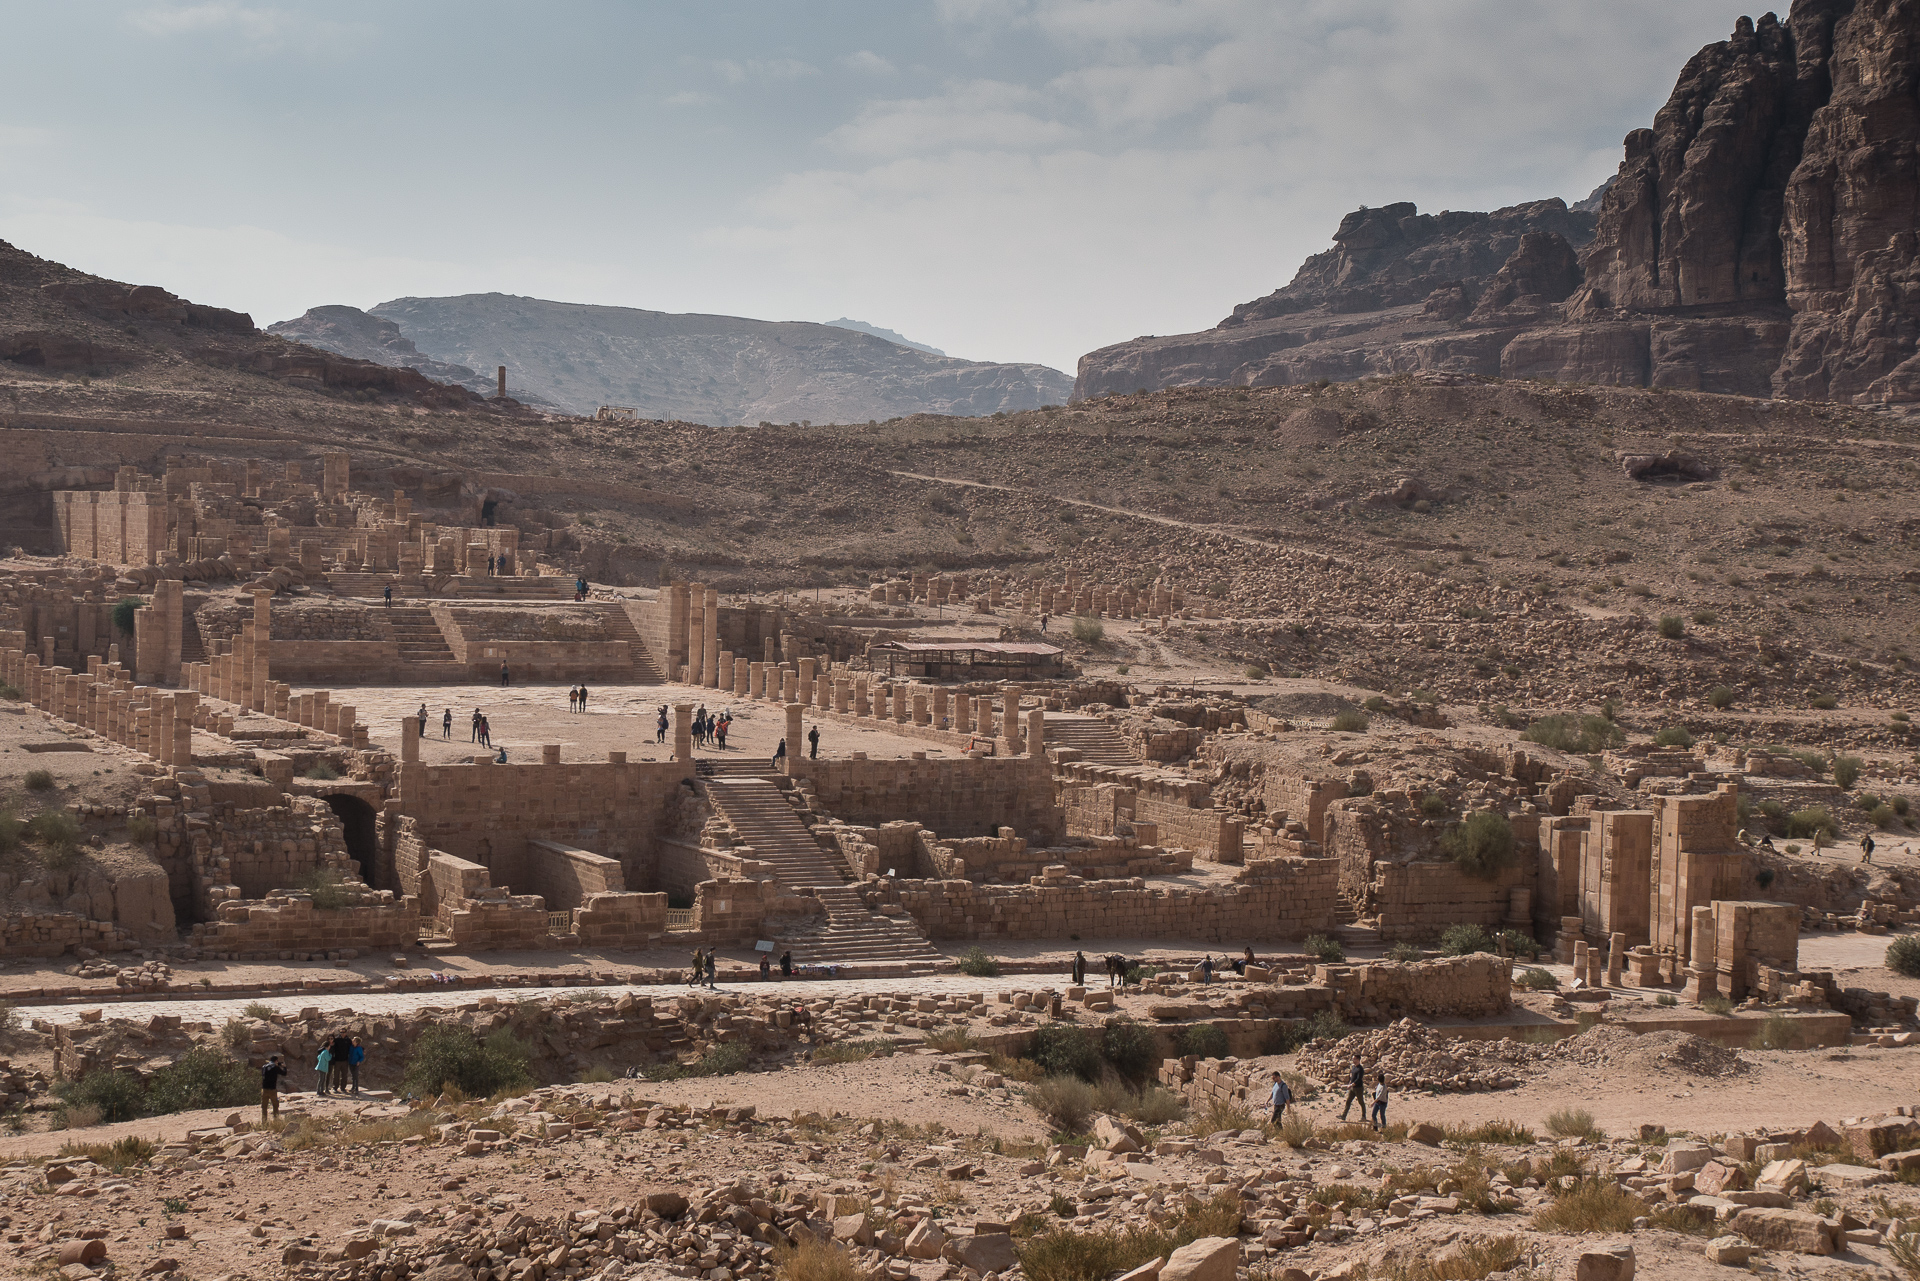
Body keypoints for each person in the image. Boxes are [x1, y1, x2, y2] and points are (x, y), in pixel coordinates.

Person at [261, 1053, 289, 1123]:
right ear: (276, 1061)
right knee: (275, 1105)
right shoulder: (275, 1068)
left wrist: (278, 1064)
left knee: (264, 1107)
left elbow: (268, 1069)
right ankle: (276, 1121)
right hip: (272, 1089)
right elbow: (284, 1073)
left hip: (264, 1089)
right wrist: (284, 1067)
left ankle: (264, 1122)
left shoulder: (264, 1067)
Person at [1338, 1056, 1366, 1121]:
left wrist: (1351, 1085)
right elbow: (1352, 1077)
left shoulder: (1360, 1069)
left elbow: (1358, 1079)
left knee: (1361, 1102)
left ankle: (1363, 1116)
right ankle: (1343, 1116)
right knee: (1348, 1101)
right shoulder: (1353, 1067)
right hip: (1352, 1088)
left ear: (1358, 1059)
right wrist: (1350, 1084)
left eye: (1354, 1059)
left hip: (1358, 1088)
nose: (1353, 1060)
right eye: (1353, 1059)